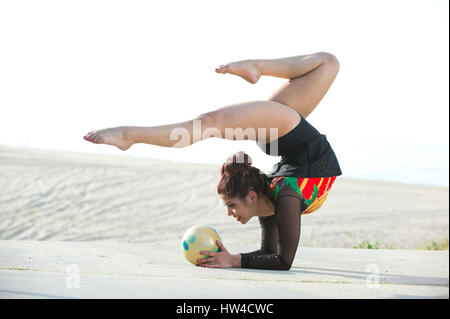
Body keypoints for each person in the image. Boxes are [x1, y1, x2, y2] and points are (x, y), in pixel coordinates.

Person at [84, 52, 342, 270]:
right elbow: (282, 260)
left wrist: (232, 259)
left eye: (230, 205)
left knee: (328, 63)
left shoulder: (272, 197)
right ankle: (129, 135)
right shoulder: (283, 196)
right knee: (207, 123)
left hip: (285, 137)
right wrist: (233, 260)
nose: (230, 213)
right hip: (287, 136)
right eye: (231, 205)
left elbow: (274, 257)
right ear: (251, 196)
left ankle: (257, 68)